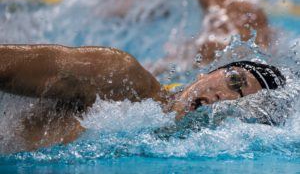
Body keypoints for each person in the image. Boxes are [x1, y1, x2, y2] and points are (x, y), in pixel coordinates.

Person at [0, 44, 286, 152]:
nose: (222, 97)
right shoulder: (121, 76)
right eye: (234, 81)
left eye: (238, 101)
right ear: (208, 73)